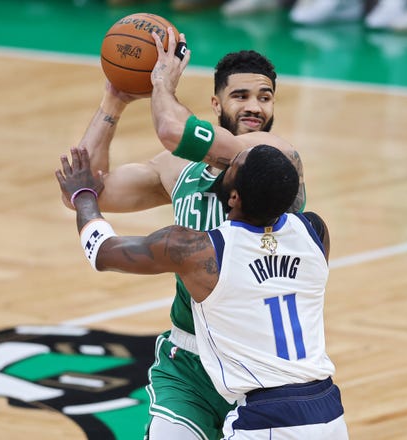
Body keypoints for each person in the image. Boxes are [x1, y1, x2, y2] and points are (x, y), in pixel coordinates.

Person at [65, 33, 306, 439]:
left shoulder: (271, 155)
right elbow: (90, 189)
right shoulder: (179, 171)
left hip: (259, 366)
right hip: (189, 360)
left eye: (265, 97)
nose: (254, 107)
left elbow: (173, 131)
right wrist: (115, 99)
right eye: (241, 96)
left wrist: (161, 84)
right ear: (216, 104)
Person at [55, 144, 348, 439]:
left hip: (268, 418)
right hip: (328, 410)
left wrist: (83, 195)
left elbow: (103, 252)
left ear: (234, 196)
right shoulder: (314, 231)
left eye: (232, 165)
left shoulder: (198, 251)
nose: (226, 160)